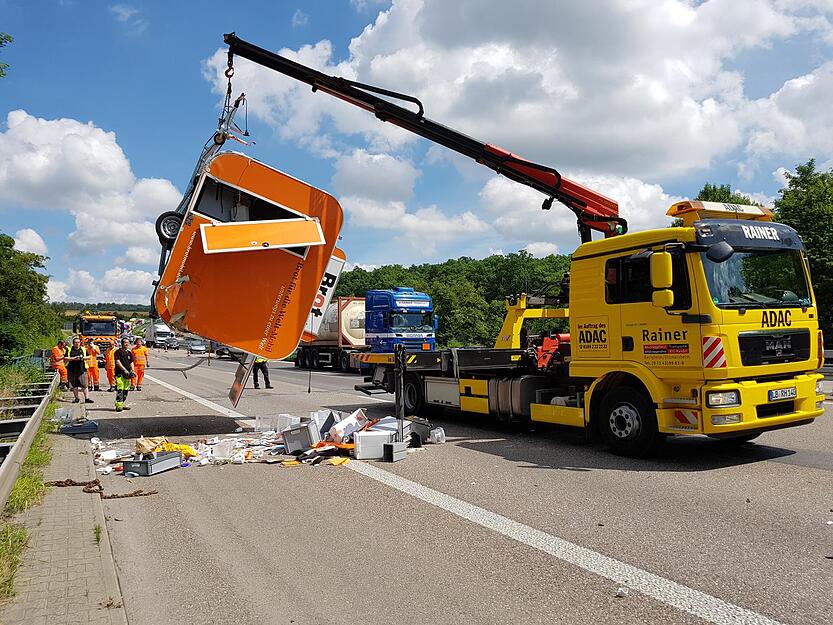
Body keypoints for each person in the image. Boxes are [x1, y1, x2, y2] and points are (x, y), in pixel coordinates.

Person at [64, 337, 93, 404]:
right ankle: (76, 398)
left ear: (80, 343)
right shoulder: (69, 349)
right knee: (74, 385)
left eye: (78, 342)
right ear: (73, 343)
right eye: (75, 343)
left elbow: (89, 357)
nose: (77, 344)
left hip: (82, 370)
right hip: (72, 370)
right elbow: (65, 358)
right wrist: (73, 358)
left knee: (85, 385)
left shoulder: (83, 349)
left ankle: (87, 398)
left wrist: (82, 358)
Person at [113, 337, 134, 412]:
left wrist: (132, 370)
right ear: (122, 343)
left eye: (128, 342)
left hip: (127, 375)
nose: (127, 344)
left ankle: (122, 404)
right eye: (125, 342)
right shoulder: (118, 352)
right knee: (120, 390)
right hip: (120, 374)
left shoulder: (129, 352)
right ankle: (118, 406)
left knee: (125, 390)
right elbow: (117, 362)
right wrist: (124, 370)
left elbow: (131, 362)